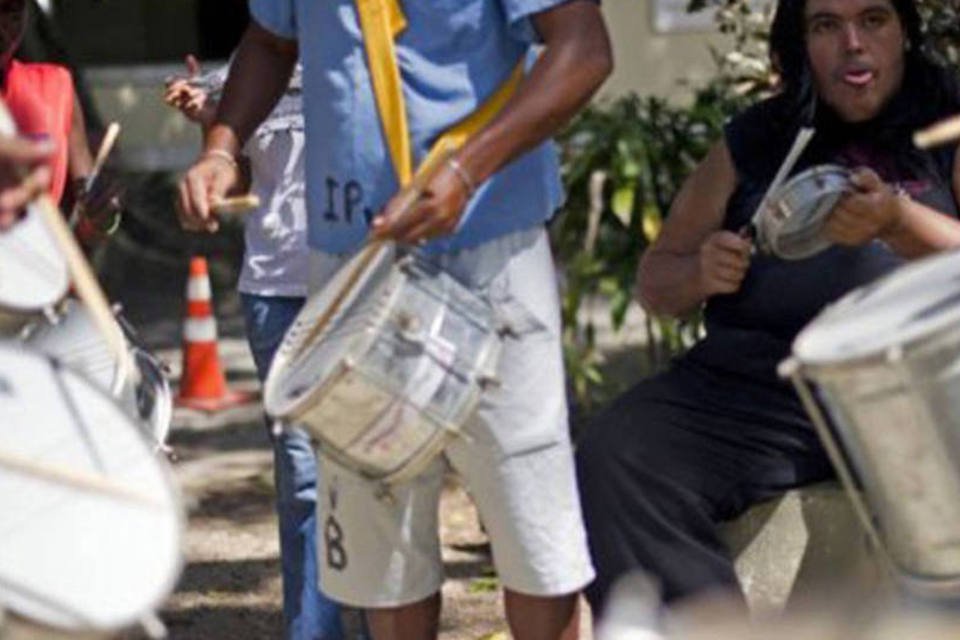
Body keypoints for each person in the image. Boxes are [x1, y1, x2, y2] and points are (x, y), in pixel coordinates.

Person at [177, 1, 613, 638]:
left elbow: (584, 49)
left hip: (491, 250)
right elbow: (271, 43)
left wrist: (466, 170)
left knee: (531, 528)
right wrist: (222, 146)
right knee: (380, 536)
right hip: (349, 263)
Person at [576, 0, 960, 616]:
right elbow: (657, 278)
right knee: (620, 453)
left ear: (904, 33)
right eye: (827, 26)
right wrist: (700, 271)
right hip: (759, 391)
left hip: (913, 385)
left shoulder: (946, 119)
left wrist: (899, 221)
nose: (853, 44)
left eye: (874, 20)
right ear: (800, 42)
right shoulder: (761, 136)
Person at [165, 55, 354, 640]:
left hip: (357, 281)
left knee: (364, 466)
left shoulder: (359, 46)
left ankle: (378, 621)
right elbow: (240, 184)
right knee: (302, 471)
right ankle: (313, 631)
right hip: (274, 289)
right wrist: (213, 125)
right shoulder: (248, 68)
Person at [0, 0, 120, 246]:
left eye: (11, 12)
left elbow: (89, 228)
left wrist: (103, 213)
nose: (2, 26)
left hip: (34, 279)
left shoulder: (55, 90)